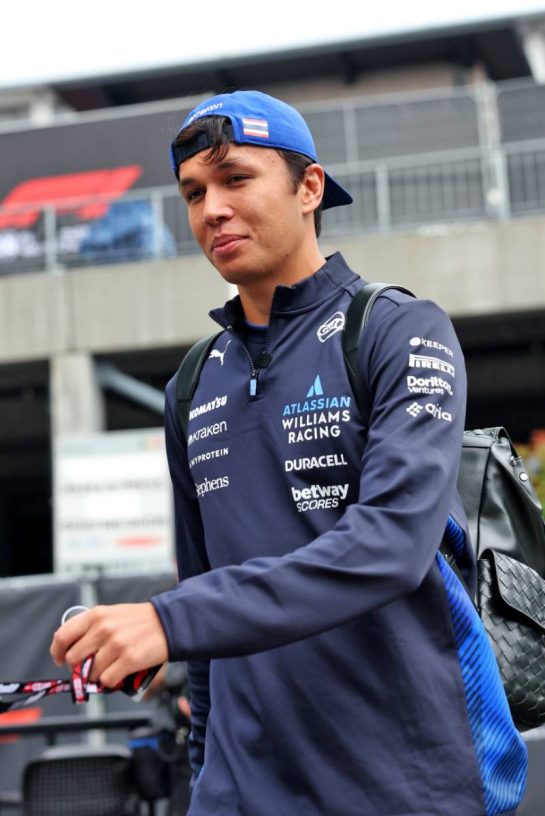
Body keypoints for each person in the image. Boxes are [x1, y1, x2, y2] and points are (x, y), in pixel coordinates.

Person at [51, 90, 527, 816]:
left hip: (407, 783)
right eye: (193, 193)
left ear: (309, 188)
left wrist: (168, 621)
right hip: (241, 793)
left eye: (235, 179)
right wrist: (207, 776)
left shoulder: (399, 329)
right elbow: (204, 595)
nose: (212, 209)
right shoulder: (192, 384)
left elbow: (390, 546)